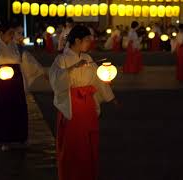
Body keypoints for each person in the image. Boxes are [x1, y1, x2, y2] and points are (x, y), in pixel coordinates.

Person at [49, 25, 119, 180]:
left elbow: (97, 80)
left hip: (87, 105)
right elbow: (55, 79)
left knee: (88, 140)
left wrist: (110, 96)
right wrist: (72, 68)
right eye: (87, 40)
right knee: (74, 142)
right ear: (78, 40)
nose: (89, 43)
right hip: (72, 104)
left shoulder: (87, 58)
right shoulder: (62, 59)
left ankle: (87, 174)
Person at [0, 20, 47, 151]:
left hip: (16, 82)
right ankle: (4, 139)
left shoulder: (17, 47)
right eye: (10, 33)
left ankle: (21, 137)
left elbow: (28, 59)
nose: (12, 36)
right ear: (2, 33)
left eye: (13, 33)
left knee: (18, 108)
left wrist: (40, 71)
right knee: (3, 110)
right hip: (1, 83)